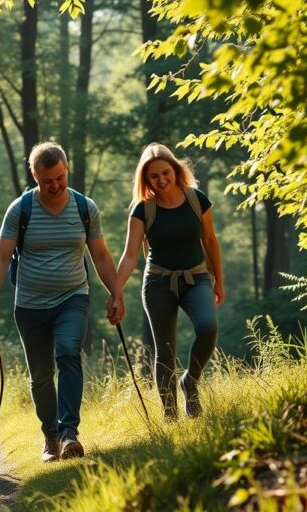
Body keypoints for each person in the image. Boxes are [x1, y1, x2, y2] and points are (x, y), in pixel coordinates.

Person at [0, 142, 124, 462]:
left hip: (73, 295)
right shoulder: (21, 209)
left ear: (66, 169)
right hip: (30, 303)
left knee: (69, 352)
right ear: (34, 176)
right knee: (41, 374)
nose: (56, 185)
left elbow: (100, 254)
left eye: (60, 177)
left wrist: (116, 294)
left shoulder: (85, 208)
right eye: (48, 180)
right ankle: (50, 437)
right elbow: (2, 256)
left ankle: (69, 433)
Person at [114, 143, 224, 420]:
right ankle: (171, 416)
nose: (161, 180)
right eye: (154, 176)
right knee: (164, 351)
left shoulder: (197, 200)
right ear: (145, 179)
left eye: (166, 173)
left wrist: (218, 281)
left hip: (196, 277)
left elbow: (210, 241)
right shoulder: (142, 210)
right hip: (158, 283)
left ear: (175, 170)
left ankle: (190, 381)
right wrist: (116, 292)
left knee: (208, 328)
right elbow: (129, 256)